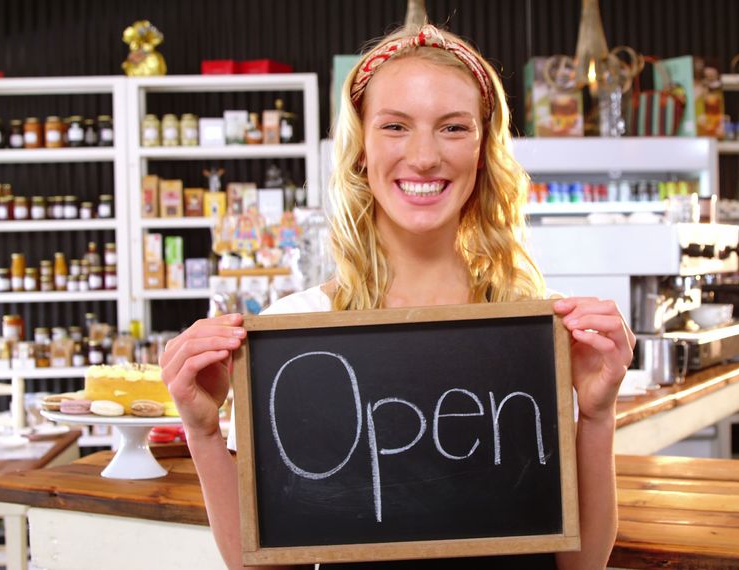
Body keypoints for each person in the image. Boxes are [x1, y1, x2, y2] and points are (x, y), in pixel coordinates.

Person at [161, 24, 634, 570]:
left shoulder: (537, 331)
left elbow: (582, 565)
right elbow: (264, 567)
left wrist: (597, 416)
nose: (425, 156)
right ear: (361, 145)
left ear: (483, 150)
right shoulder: (295, 332)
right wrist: (201, 430)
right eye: (395, 126)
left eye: (453, 128)